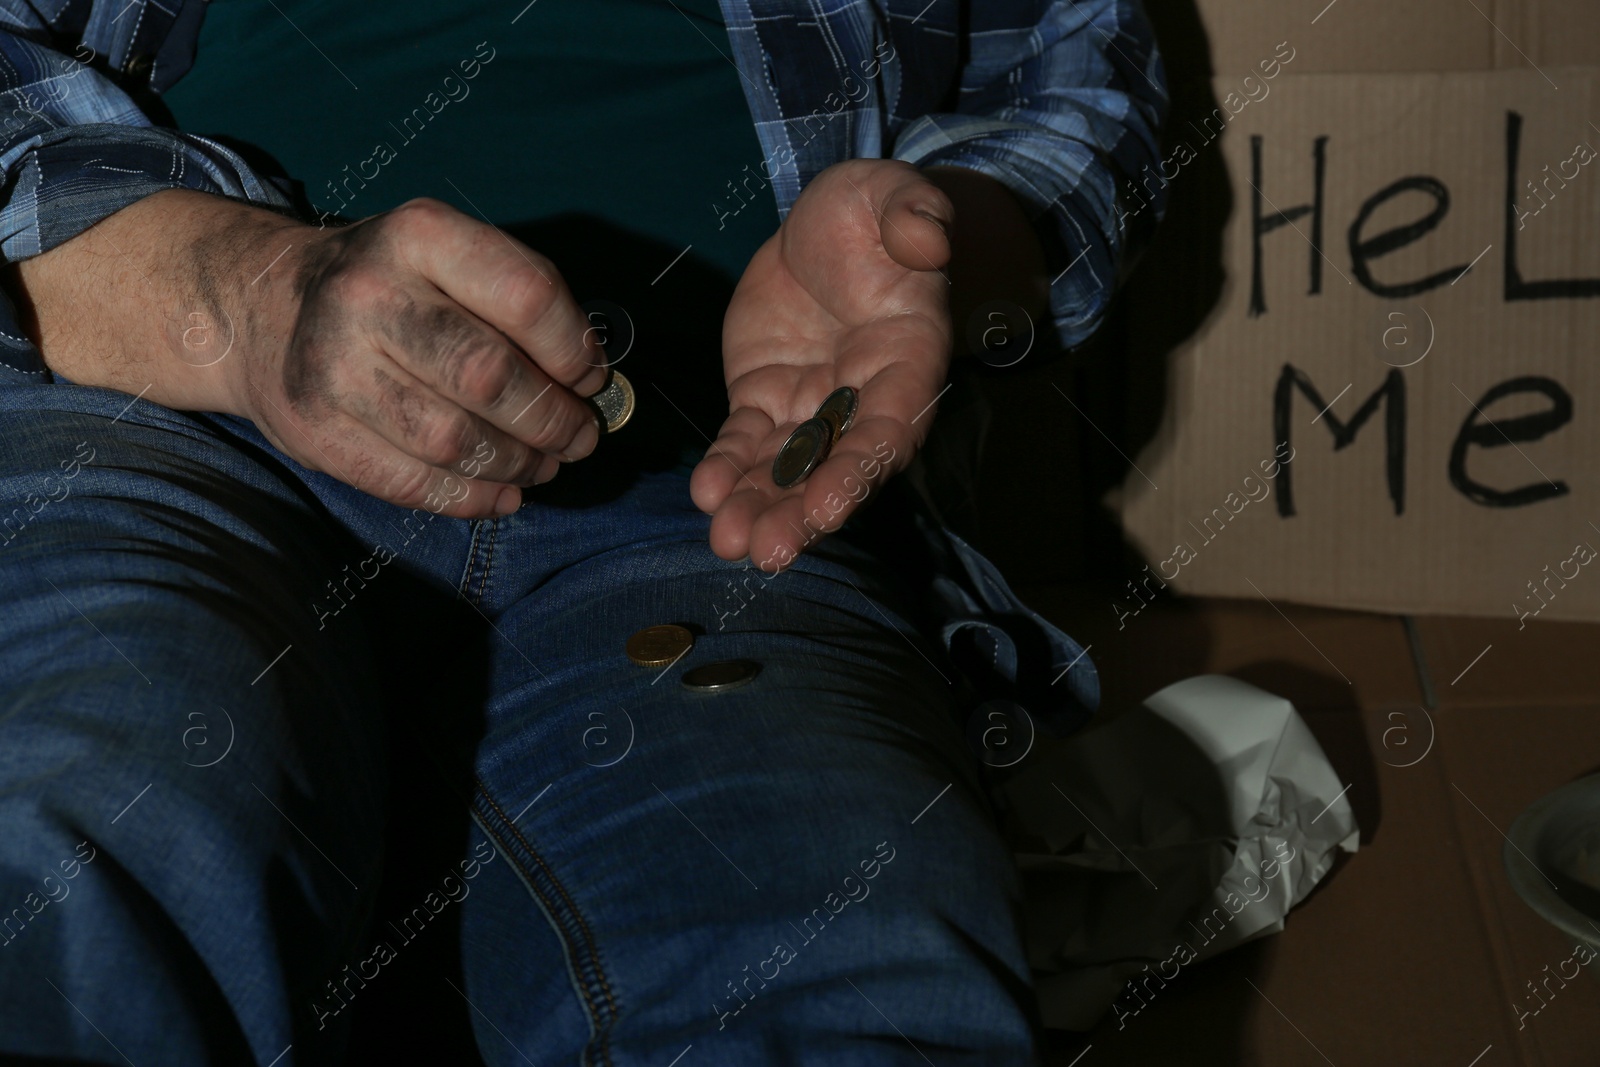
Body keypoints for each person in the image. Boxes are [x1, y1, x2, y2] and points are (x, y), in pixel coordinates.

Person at [0, 1, 1164, 1063]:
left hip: (705, 494)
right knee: (76, 844)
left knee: (835, 955)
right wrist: (246, 297)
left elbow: (1077, 97)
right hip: (159, 428)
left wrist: (930, 246)